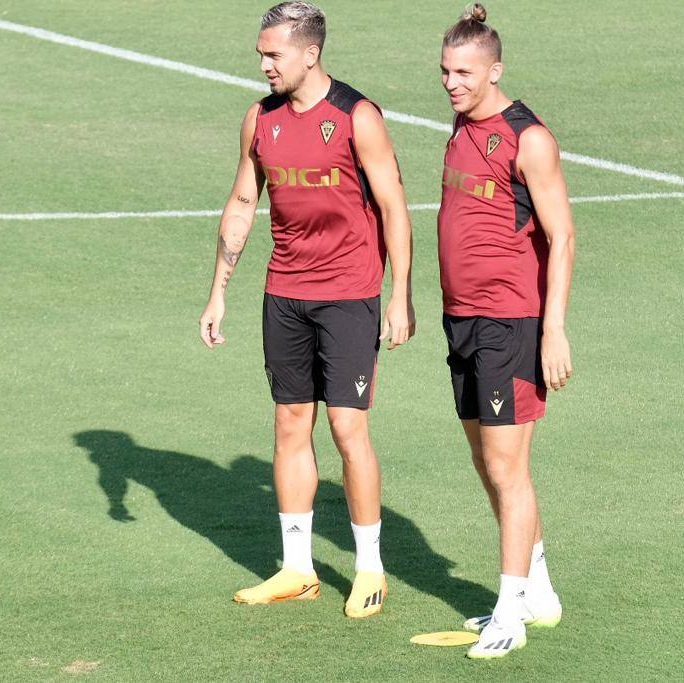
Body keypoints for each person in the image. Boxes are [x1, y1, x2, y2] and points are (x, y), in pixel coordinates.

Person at [198, 1, 414, 619]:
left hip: (348, 294)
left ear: (309, 53)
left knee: (348, 428)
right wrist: (219, 290)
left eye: (274, 55)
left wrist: (400, 294)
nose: (264, 65)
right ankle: (298, 568)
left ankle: (370, 568)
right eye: (261, 55)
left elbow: (394, 207)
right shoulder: (258, 120)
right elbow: (242, 203)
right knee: (291, 422)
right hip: (284, 293)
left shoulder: (356, 116)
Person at [436, 3, 575, 658]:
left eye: (465, 72)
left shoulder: (530, 138)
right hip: (462, 319)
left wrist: (554, 331)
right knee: (484, 459)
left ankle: (509, 612)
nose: (452, 82)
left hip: (511, 321)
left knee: (506, 464)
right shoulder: (462, 125)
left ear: (496, 70)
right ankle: (537, 591)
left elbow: (563, 236)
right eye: (446, 71)